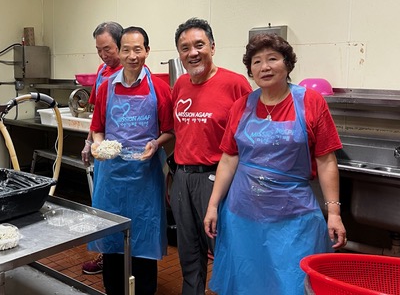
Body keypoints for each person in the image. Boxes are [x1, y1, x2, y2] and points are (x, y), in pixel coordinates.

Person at [203, 34, 347, 295]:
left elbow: (326, 160)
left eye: (272, 59)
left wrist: (334, 213)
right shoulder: (242, 106)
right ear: (250, 70)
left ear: (287, 64)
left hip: (293, 218)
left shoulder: (310, 102)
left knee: (292, 282)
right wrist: (213, 205)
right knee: (247, 281)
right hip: (242, 215)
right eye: (256, 62)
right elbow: (229, 158)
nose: (264, 67)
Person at [89, 26, 174, 295]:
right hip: (111, 176)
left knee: (143, 237)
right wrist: (100, 144)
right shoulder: (106, 88)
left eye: (138, 49)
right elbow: (97, 127)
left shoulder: (159, 89)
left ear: (147, 51)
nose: (132, 55)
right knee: (112, 236)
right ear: (120, 51)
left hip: (145, 177)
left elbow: (170, 131)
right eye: (126, 49)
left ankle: (145, 290)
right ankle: (113, 289)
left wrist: (156, 143)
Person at [170, 18, 252, 294]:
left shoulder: (235, 84)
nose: (192, 52)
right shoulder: (180, 84)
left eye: (199, 45)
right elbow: (179, 130)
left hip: (217, 178)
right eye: (185, 48)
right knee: (189, 253)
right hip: (182, 177)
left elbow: (249, 135)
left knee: (225, 250)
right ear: (179, 54)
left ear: (213, 47)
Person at [80, 21, 124, 275]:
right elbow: (97, 113)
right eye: (99, 50)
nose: (104, 56)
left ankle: (127, 257)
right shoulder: (101, 71)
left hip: (127, 152)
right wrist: (89, 142)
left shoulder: (133, 71)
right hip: (104, 150)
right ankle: (105, 256)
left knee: (124, 208)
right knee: (104, 205)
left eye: (107, 49)